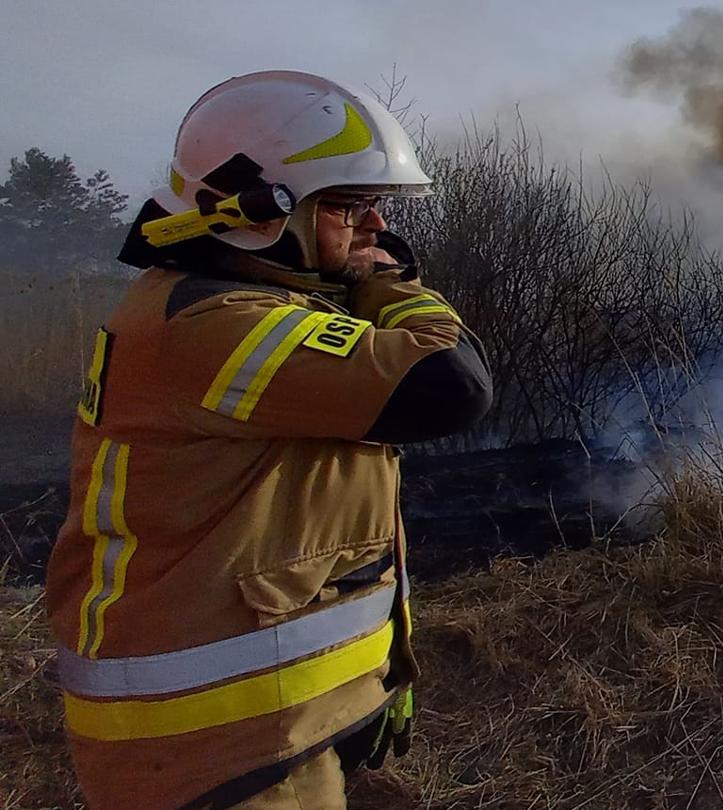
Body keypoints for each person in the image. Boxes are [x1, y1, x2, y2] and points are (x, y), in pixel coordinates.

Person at [44, 70, 492, 809]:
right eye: (350, 208)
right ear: (257, 213)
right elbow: (449, 384)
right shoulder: (217, 324)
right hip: (214, 746)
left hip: (251, 725)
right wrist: (391, 285)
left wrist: (365, 682)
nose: (376, 228)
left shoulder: (217, 305)